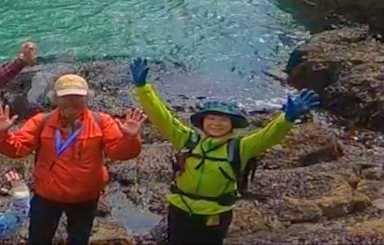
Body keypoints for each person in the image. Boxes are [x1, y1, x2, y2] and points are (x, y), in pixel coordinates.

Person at [129, 58, 322, 244]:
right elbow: (161, 116)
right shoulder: (187, 139)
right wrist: (143, 88)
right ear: (202, 122)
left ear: (232, 124)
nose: (217, 123)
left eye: (223, 119)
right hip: (180, 209)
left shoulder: (241, 147)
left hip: (215, 214)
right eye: (212, 118)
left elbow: (268, 136)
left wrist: (287, 118)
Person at [0, 73, 144, 245]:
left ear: (86, 98)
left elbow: (119, 153)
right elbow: (17, 149)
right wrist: (2, 134)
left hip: (86, 198)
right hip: (47, 196)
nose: (72, 101)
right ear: (55, 98)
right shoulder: (42, 121)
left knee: (79, 240)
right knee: (38, 240)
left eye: (77, 97)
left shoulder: (102, 121)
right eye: (66, 97)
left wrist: (130, 138)